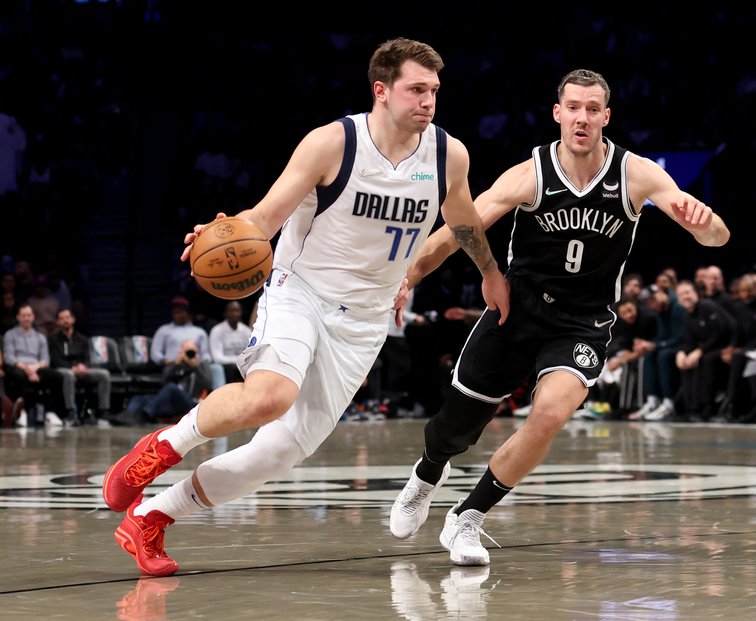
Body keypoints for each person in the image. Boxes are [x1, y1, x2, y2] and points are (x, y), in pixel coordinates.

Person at [101, 38, 509, 577]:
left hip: (365, 319)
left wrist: (489, 273)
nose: (428, 101)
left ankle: (151, 517)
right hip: (301, 291)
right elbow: (266, 217)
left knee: (277, 453)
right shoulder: (332, 143)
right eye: (416, 89)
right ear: (381, 91)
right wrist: (226, 232)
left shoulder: (446, 154)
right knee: (270, 396)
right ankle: (162, 447)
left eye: (434, 90)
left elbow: (461, 219)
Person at [389, 68, 729, 566]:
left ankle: (467, 517)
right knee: (455, 428)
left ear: (606, 117)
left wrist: (706, 226)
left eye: (593, 109)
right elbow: (463, 226)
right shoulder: (531, 173)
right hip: (517, 309)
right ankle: (426, 473)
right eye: (573, 107)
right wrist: (408, 277)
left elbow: (716, 236)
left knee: (549, 414)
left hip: (583, 322)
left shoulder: (637, 175)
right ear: (558, 113)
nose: (582, 118)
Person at [47, 307, 112, 425]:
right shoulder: (53, 340)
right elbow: (56, 361)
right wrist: (73, 368)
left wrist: (83, 366)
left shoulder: (82, 339)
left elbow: (88, 358)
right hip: (64, 370)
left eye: (67, 317)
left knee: (104, 374)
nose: (65, 321)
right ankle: (71, 412)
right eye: (61, 319)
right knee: (69, 375)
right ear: (58, 322)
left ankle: (103, 412)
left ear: (73, 319)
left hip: (82, 370)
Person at [208, 300, 251, 385]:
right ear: (225, 314)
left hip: (243, 365)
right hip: (225, 367)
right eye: (231, 311)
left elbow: (250, 353)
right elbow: (217, 357)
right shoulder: (217, 331)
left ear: (241, 313)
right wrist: (236, 361)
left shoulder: (246, 331)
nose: (235, 314)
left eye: (237, 311)